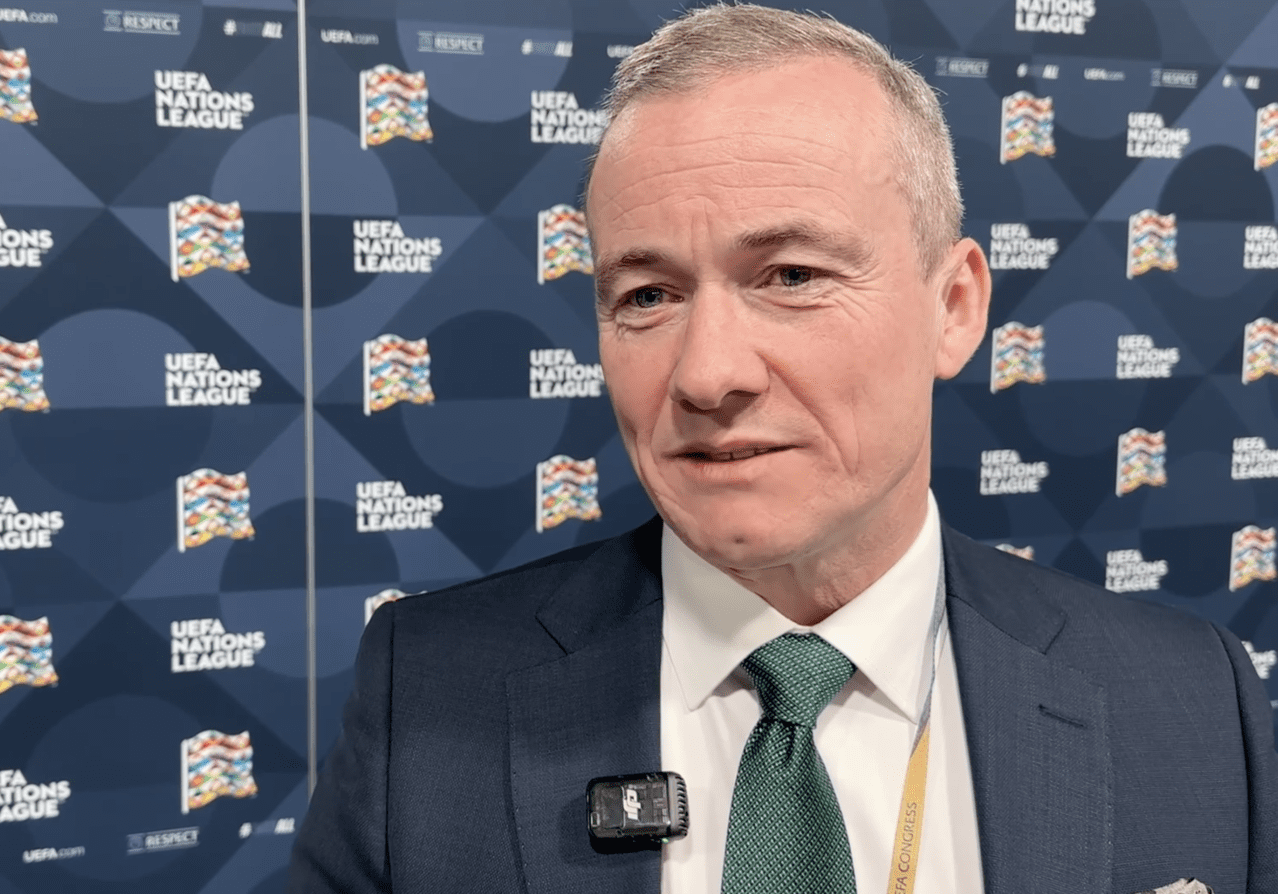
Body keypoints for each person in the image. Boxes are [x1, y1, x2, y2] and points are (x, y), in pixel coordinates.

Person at [288, 5, 1278, 893]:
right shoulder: (428, 697)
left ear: (953, 307)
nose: (707, 373)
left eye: (791, 276)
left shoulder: (1192, 703)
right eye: (647, 295)